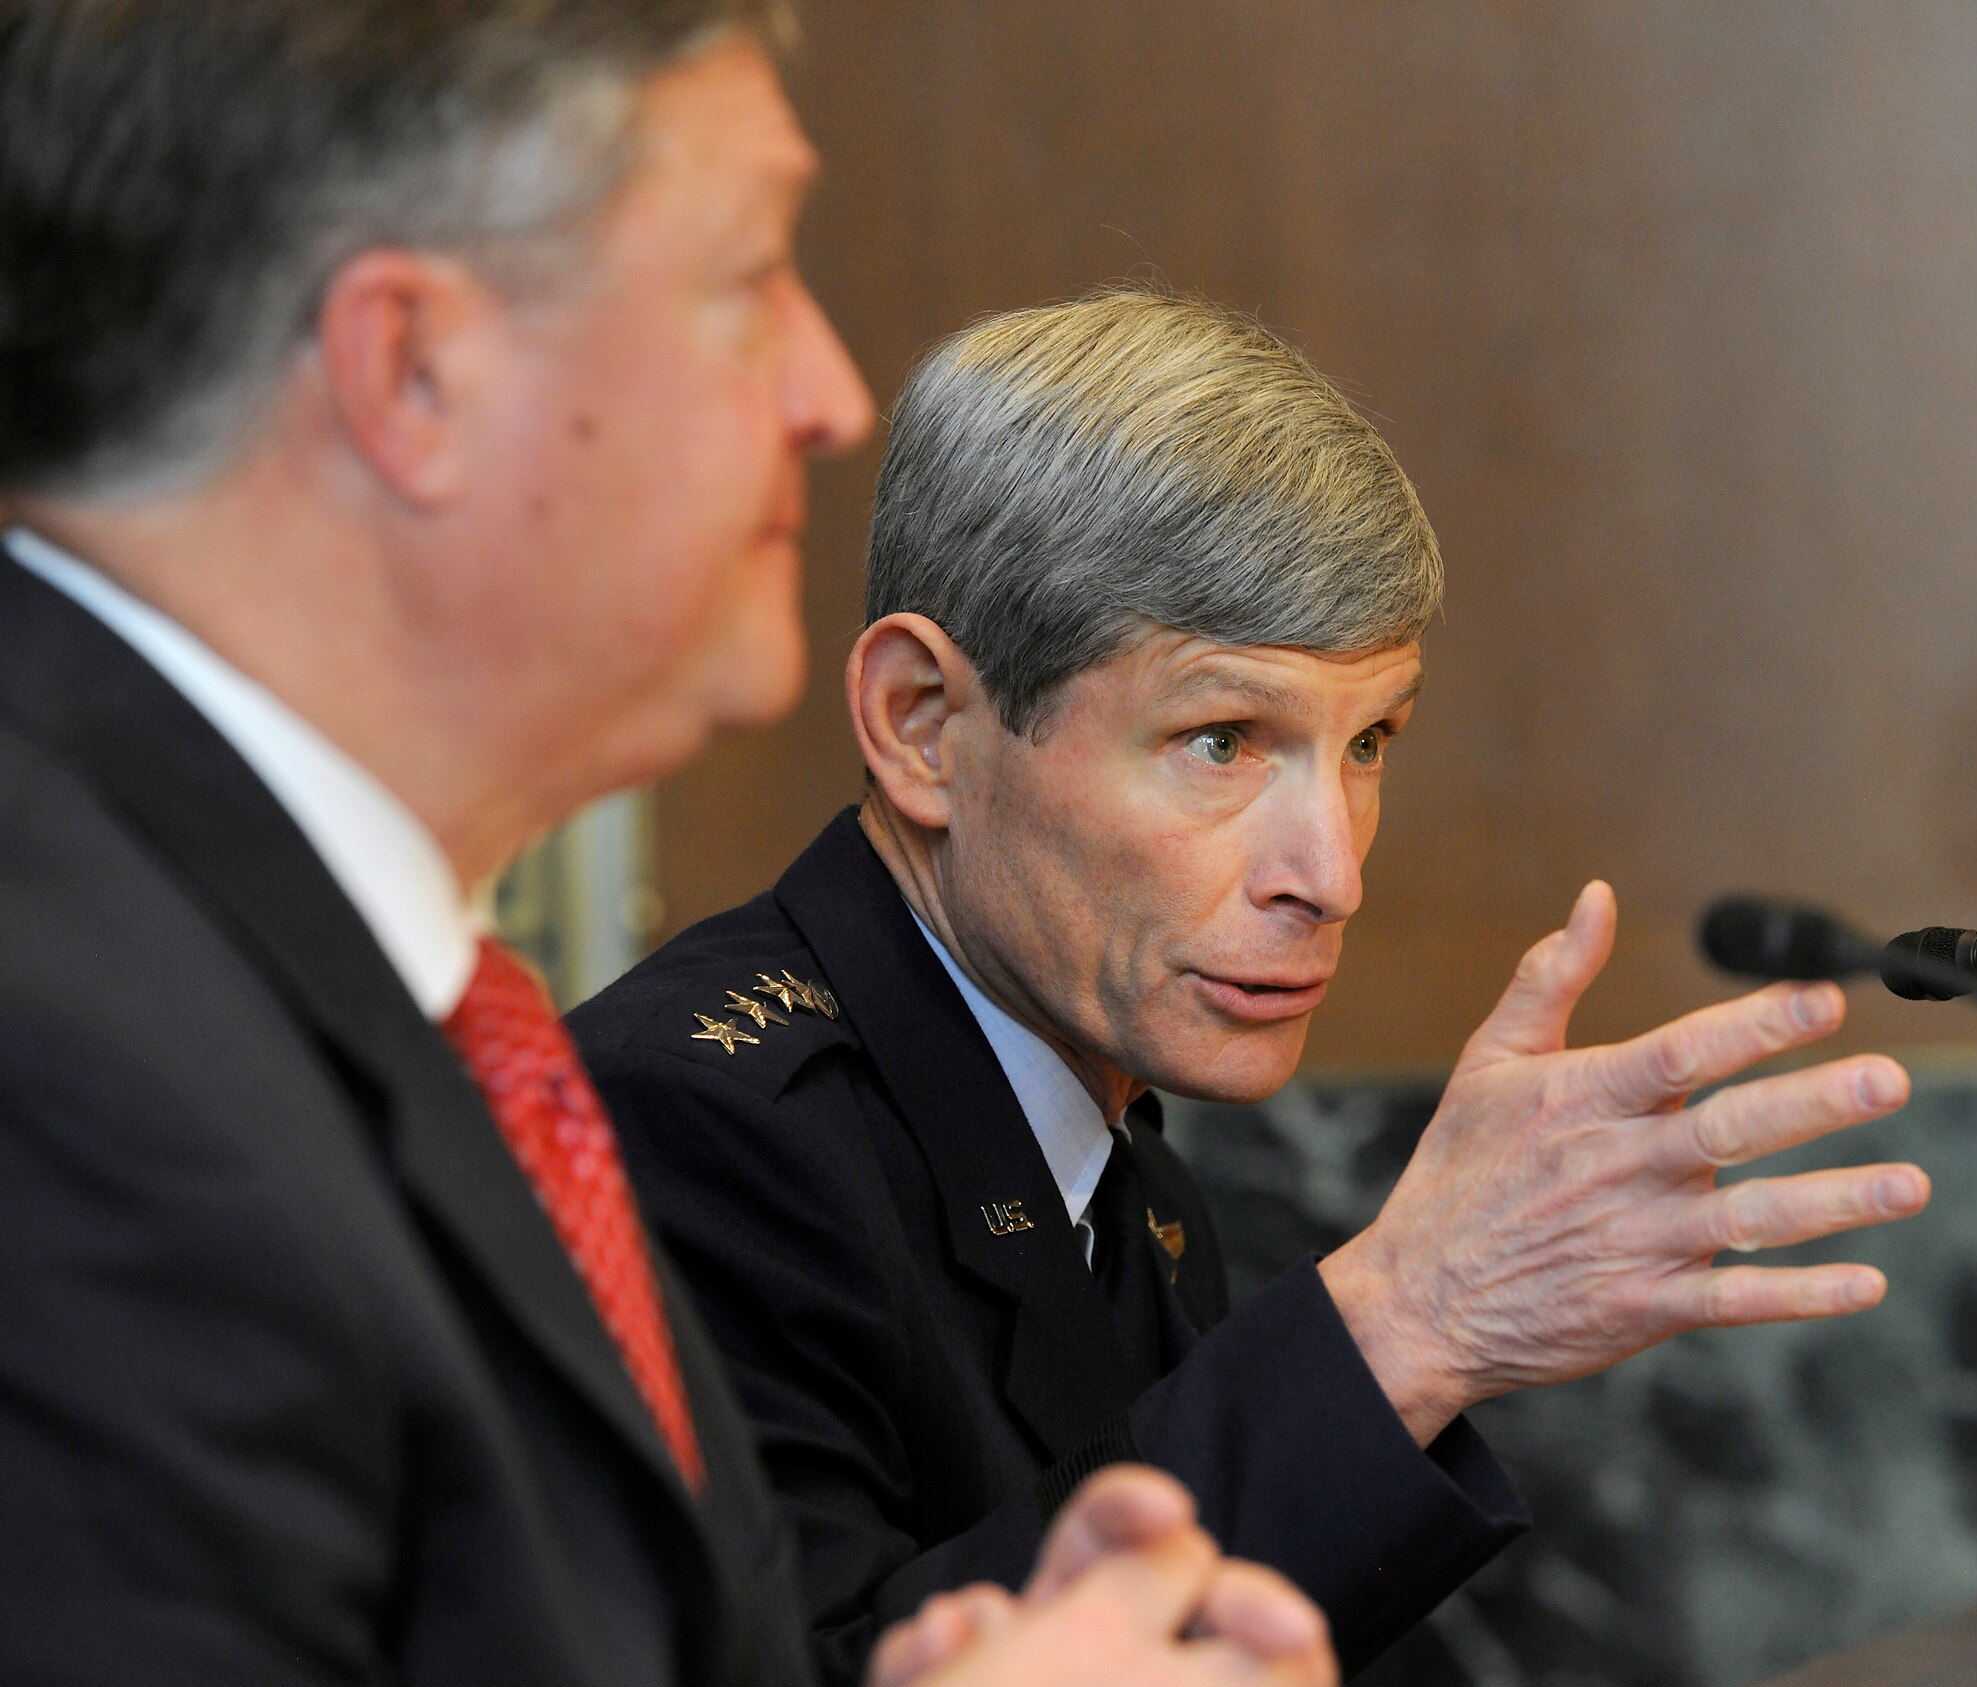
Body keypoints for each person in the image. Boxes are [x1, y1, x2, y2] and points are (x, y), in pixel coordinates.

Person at [0, 7, 1339, 1686]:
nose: (829, 392)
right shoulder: (64, 1057)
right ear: (414, 369)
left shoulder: (239, 964)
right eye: (752, 276)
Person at [571, 288, 1934, 1682]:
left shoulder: (1121, 1169)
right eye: (1224, 740)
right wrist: (1406, 1320)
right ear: (925, 728)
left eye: (1368, 743)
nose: (1331, 872)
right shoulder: (689, 1126)